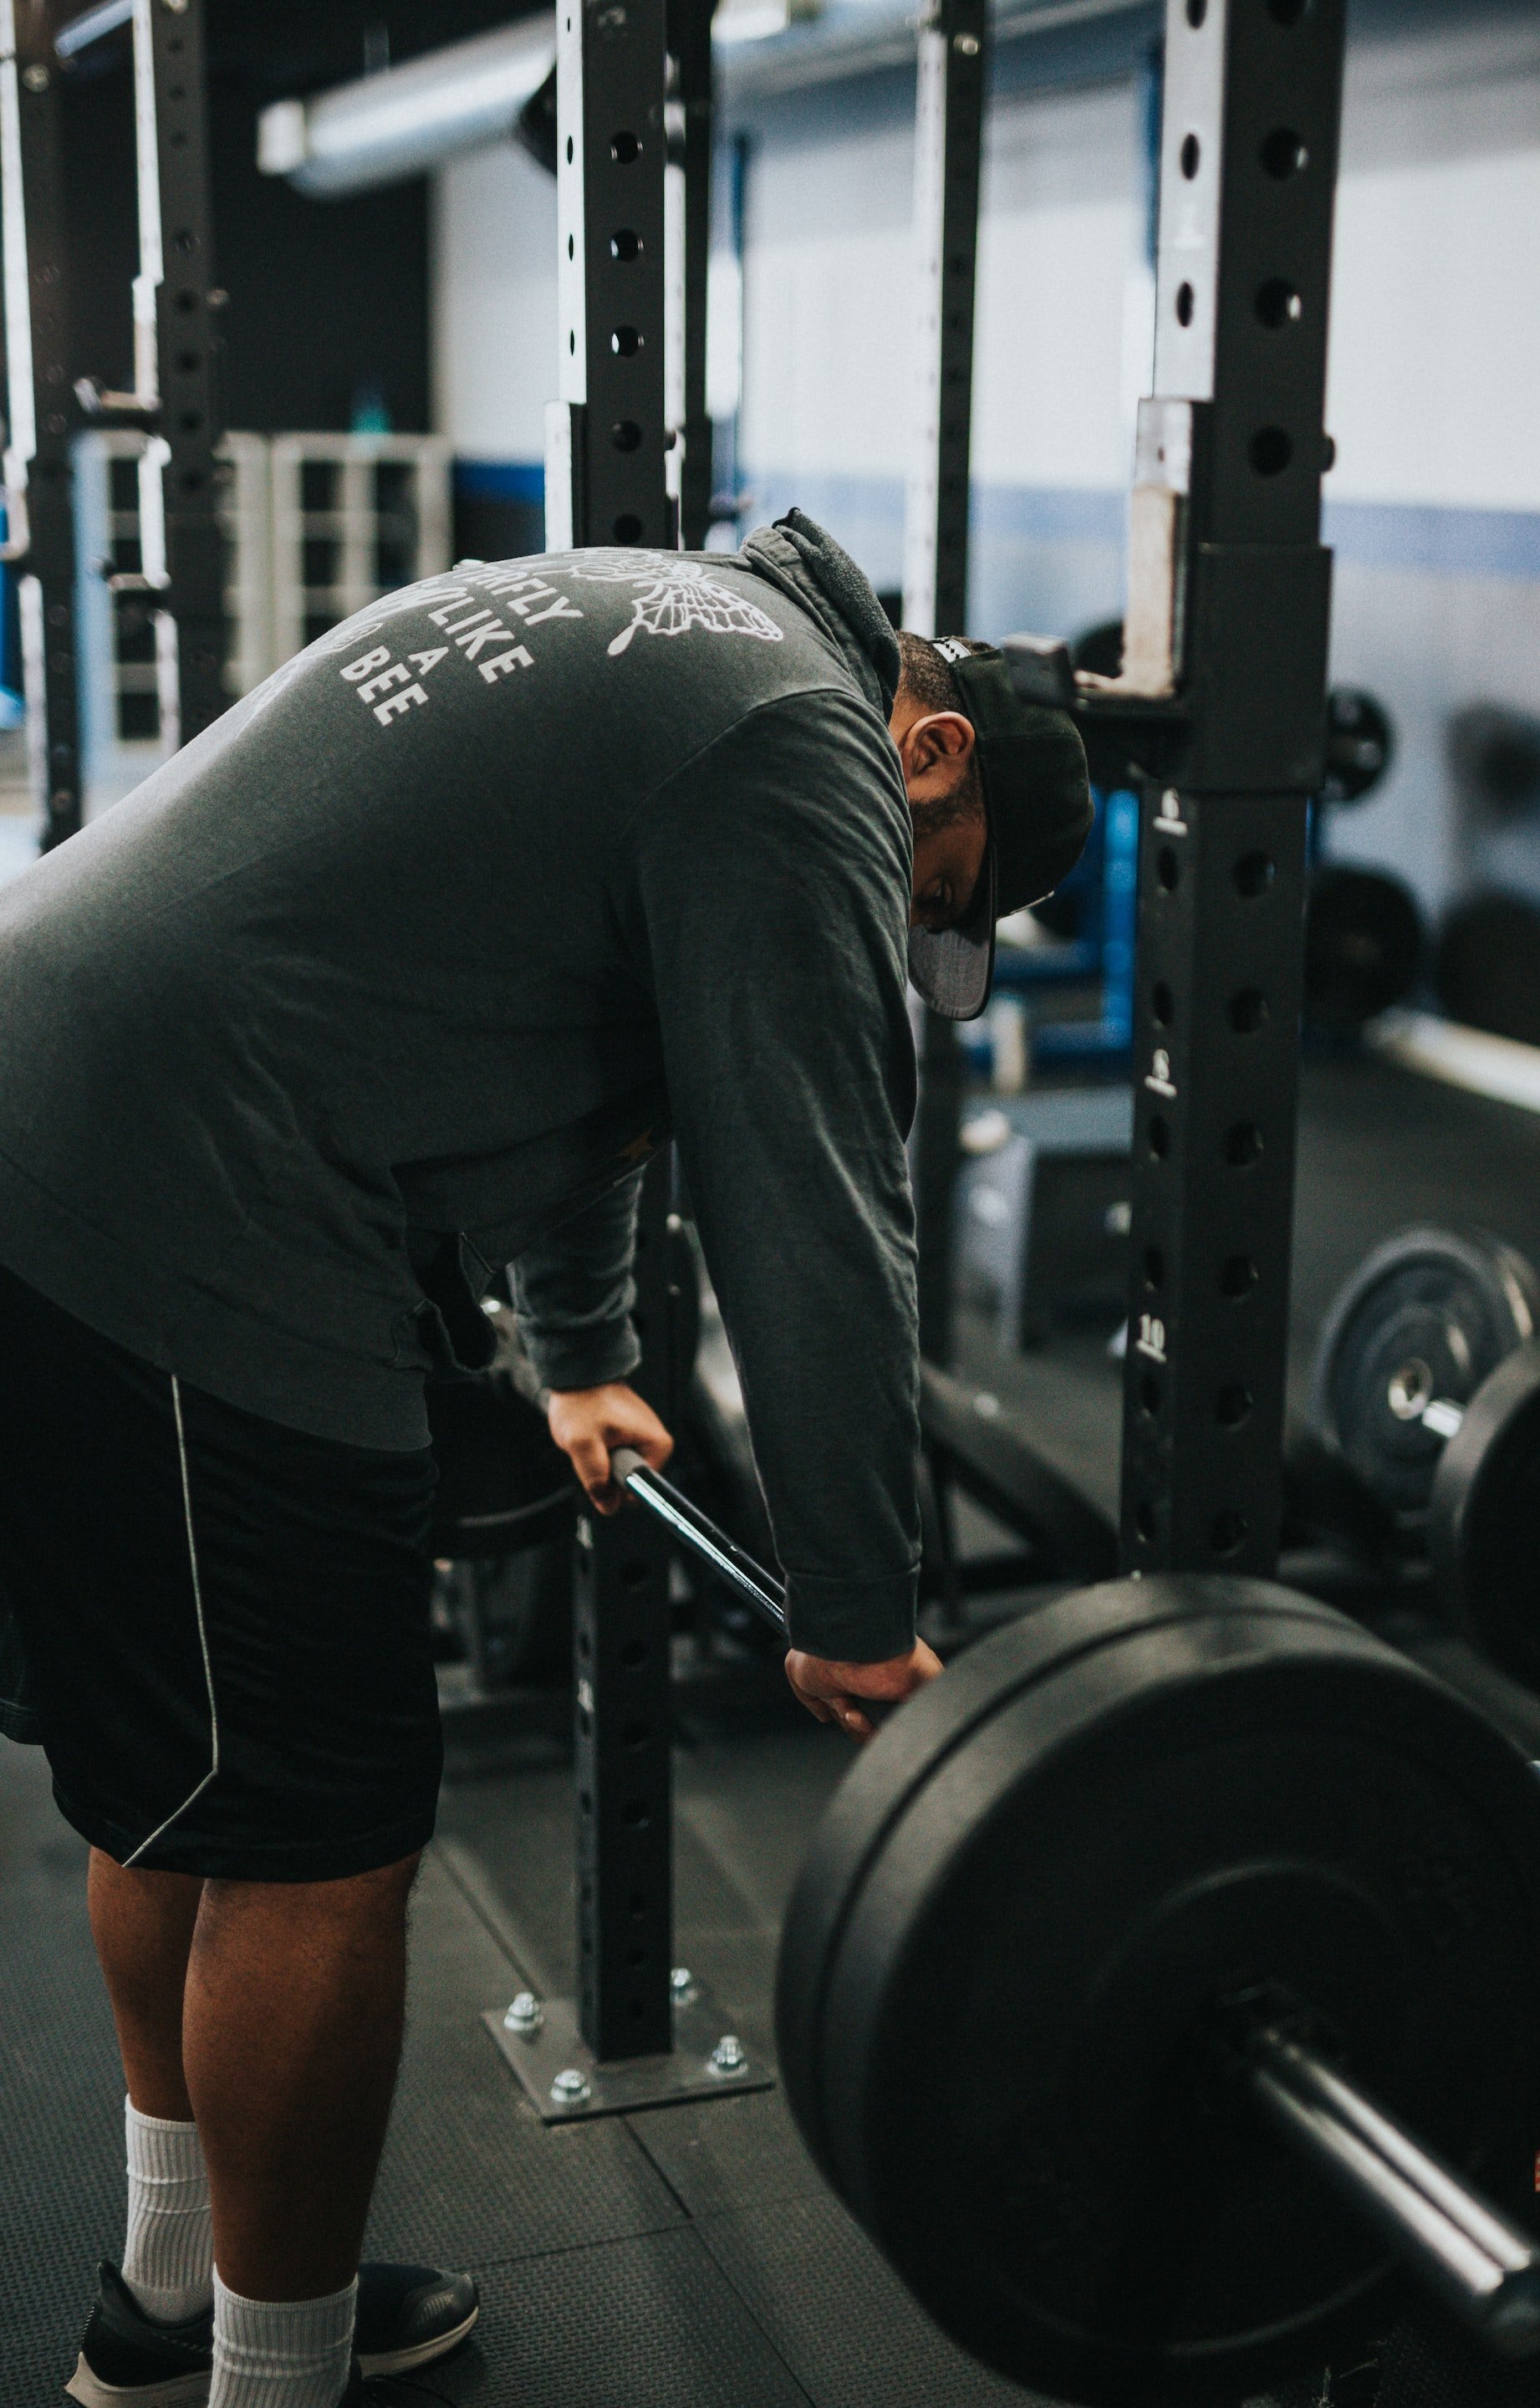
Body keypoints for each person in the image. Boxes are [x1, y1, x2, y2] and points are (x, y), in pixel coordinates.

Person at [0, 510, 1089, 2407]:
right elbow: (814, 1201)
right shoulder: (801, 752)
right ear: (931, 755)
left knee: (178, 1784)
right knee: (318, 1840)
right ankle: (282, 2381)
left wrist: (581, 1363)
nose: (903, 926)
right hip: (195, 1197)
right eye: (939, 897)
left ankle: (183, 2297)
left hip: (59, 1104)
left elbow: (622, 1067)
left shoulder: (676, 630)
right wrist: (854, 1601)